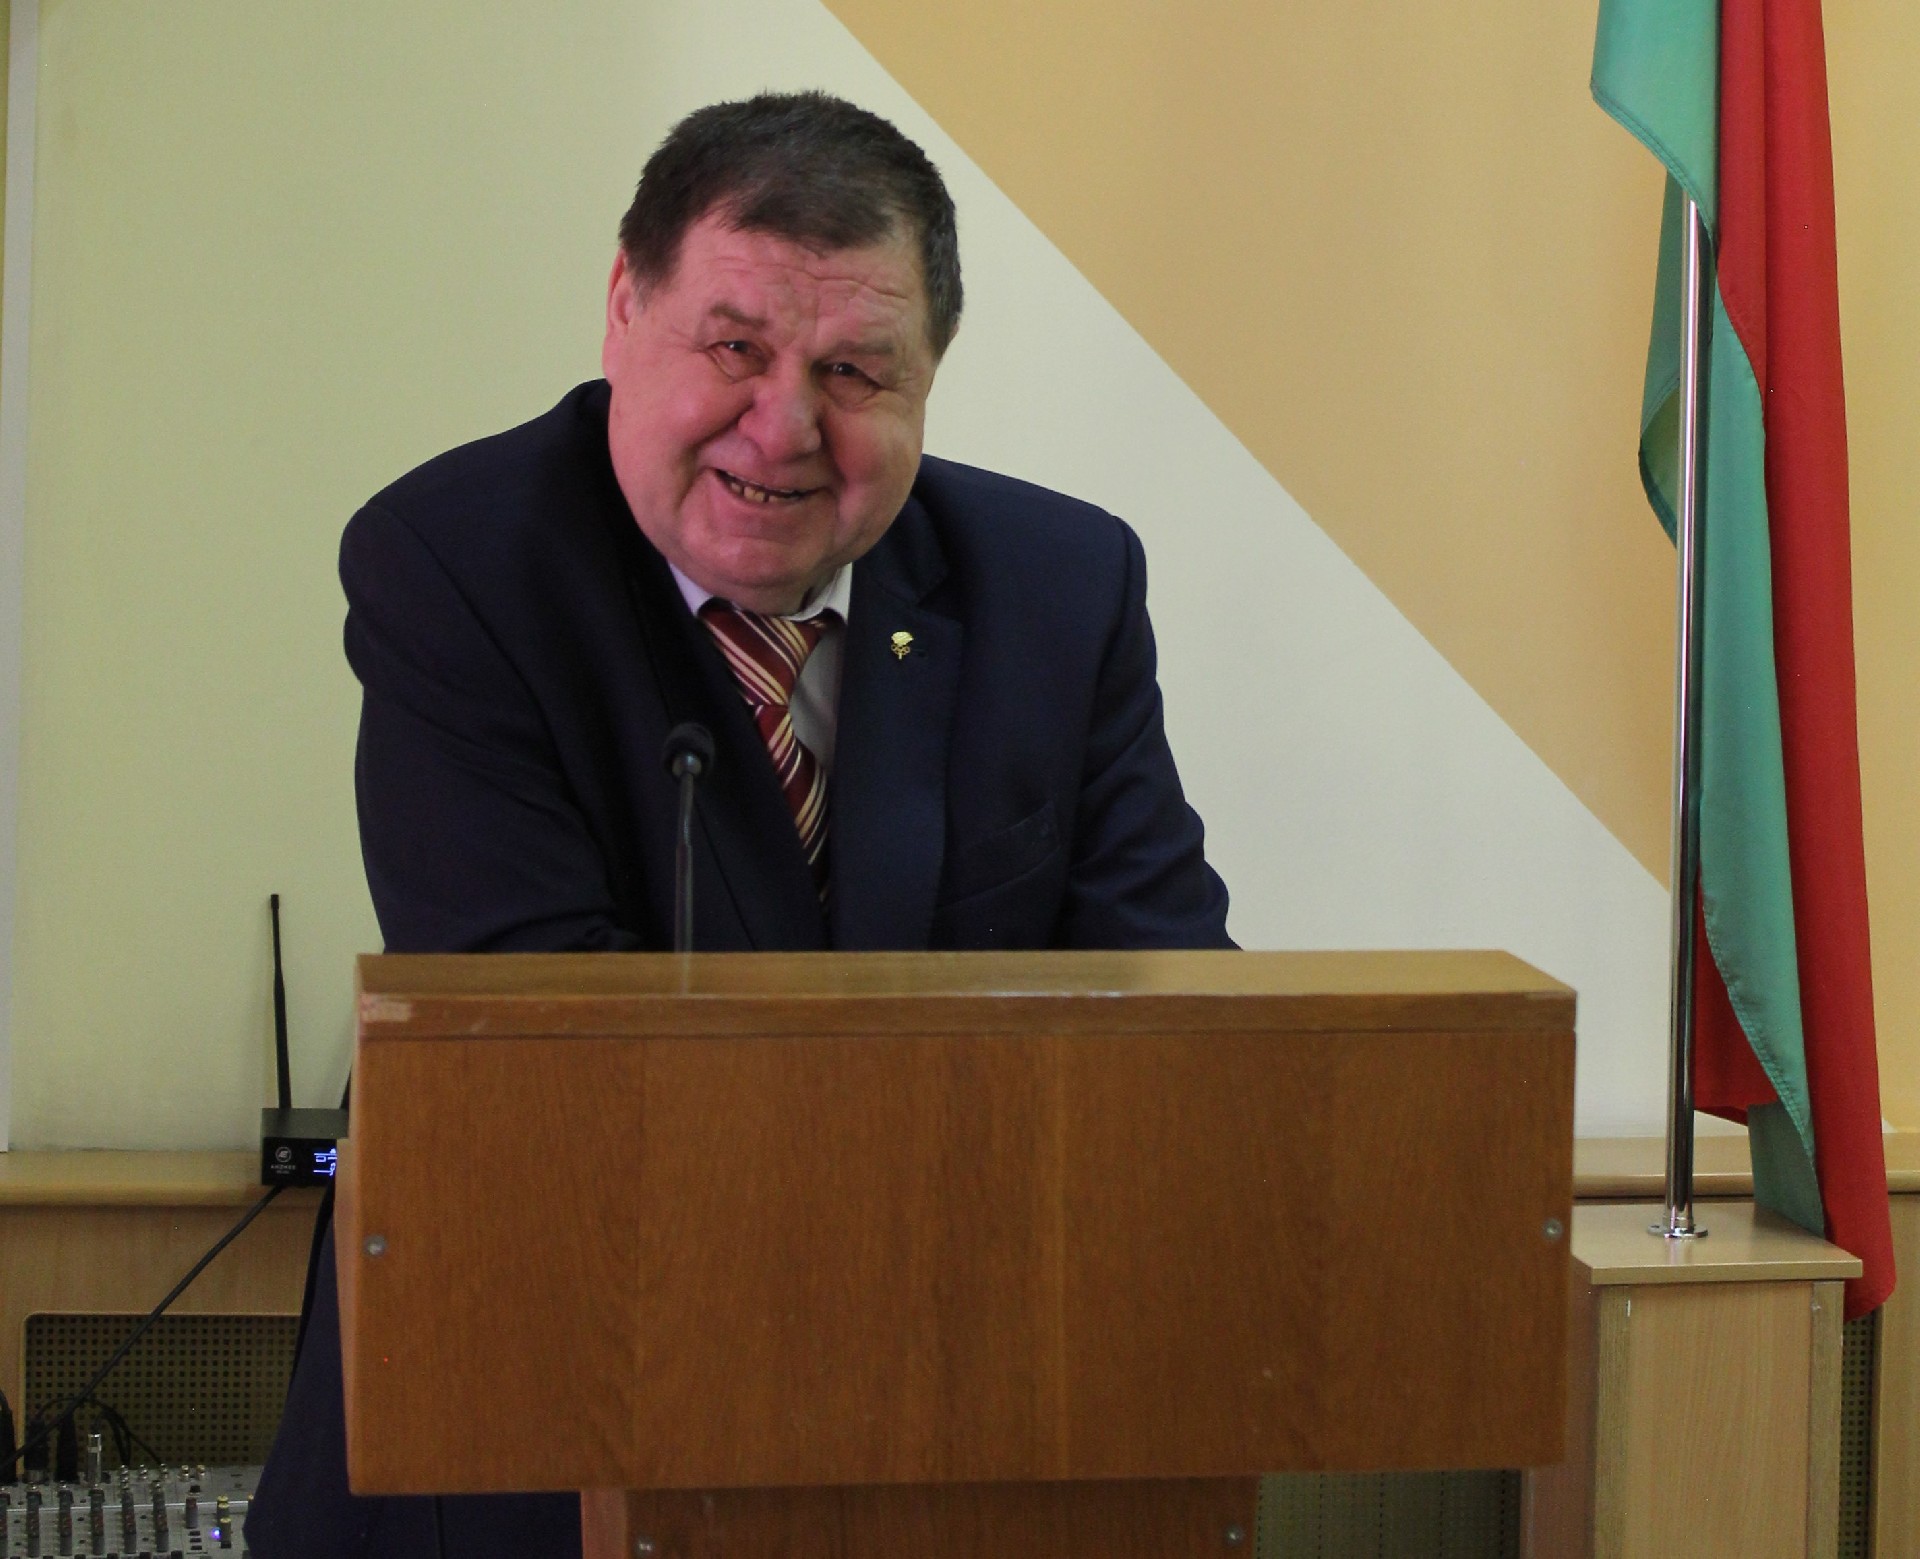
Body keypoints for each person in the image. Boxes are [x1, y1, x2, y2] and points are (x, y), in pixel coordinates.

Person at [246, 91, 1230, 1558]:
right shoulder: (461, 566)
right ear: (622, 311)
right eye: (734, 350)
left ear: (929, 380)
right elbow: (547, 1064)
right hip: (536, 1427)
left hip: (949, 1441)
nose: (784, 427)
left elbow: (1175, 1028)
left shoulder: (1060, 587)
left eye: (854, 372)